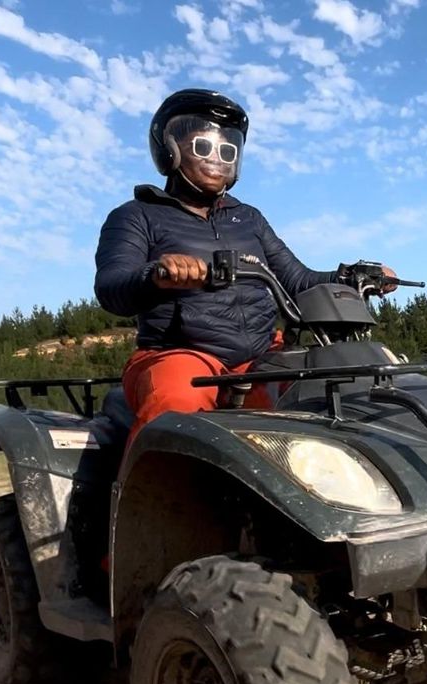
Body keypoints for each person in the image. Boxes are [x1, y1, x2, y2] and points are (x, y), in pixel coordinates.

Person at [94, 87, 394, 449]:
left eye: (227, 150)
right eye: (203, 147)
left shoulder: (248, 218)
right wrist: (158, 274)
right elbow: (111, 287)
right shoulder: (136, 215)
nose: (217, 158)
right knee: (175, 407)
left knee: (338, 386)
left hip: (262, 354)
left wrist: (352, 275)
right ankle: (148, 501)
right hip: (179, 354)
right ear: (170, 150)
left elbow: (297, 280)